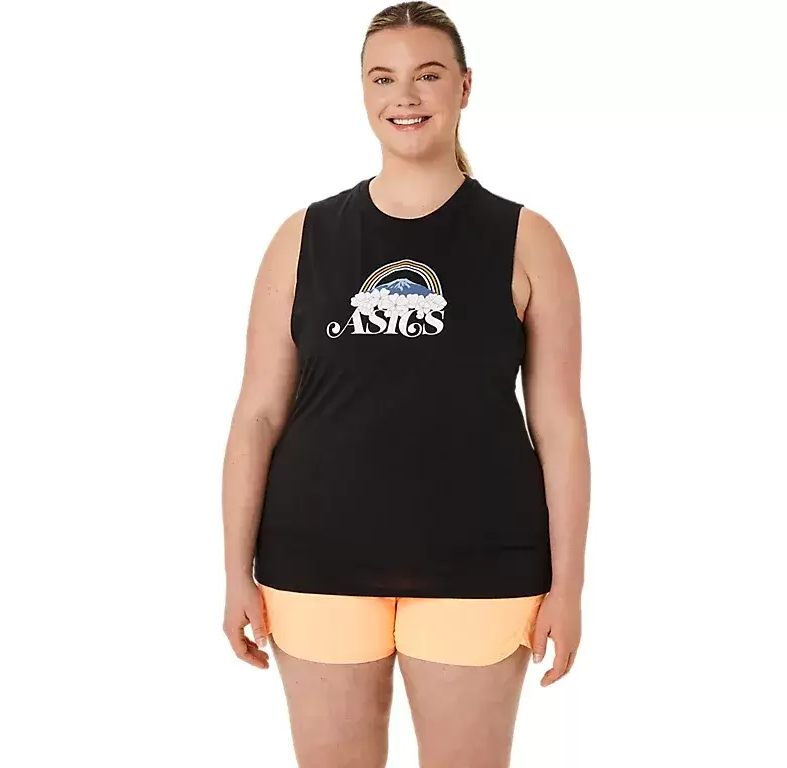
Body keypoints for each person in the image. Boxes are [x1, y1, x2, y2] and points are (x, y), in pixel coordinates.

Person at [221, 2, 590, 765]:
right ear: (363, 91)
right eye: (383, 78)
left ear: (464, 86)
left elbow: (559, 424)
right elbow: (257, 415)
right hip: (315, 561)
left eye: (428, 75)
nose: (406, 96)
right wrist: (233, 572)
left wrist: (571, 585)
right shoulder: (303, 237)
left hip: (483, 563)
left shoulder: (528, 241)